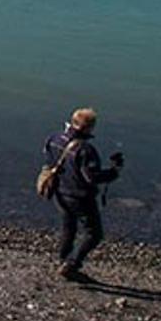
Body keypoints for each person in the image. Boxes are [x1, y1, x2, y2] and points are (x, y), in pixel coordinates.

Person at [44, 108, 123, 282]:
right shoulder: (85, 149)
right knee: (93, 234)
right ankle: (71, 264)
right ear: (89, 128)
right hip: (79, 196)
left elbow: (49, 162)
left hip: (59, 192)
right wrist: (114, 172)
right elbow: (91, 177)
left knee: (68, 227)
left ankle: (63, 259)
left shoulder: (54, 139)